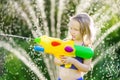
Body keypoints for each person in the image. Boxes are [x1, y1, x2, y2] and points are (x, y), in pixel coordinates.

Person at [54, 13, 95, 80]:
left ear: (85, 31)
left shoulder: (85, 48)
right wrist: (62, 61)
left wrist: (73, 61)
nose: (72, 32)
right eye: (71, 28)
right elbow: (55, 60)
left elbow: (86, 68)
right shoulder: (65, 43)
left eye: (76, 30)